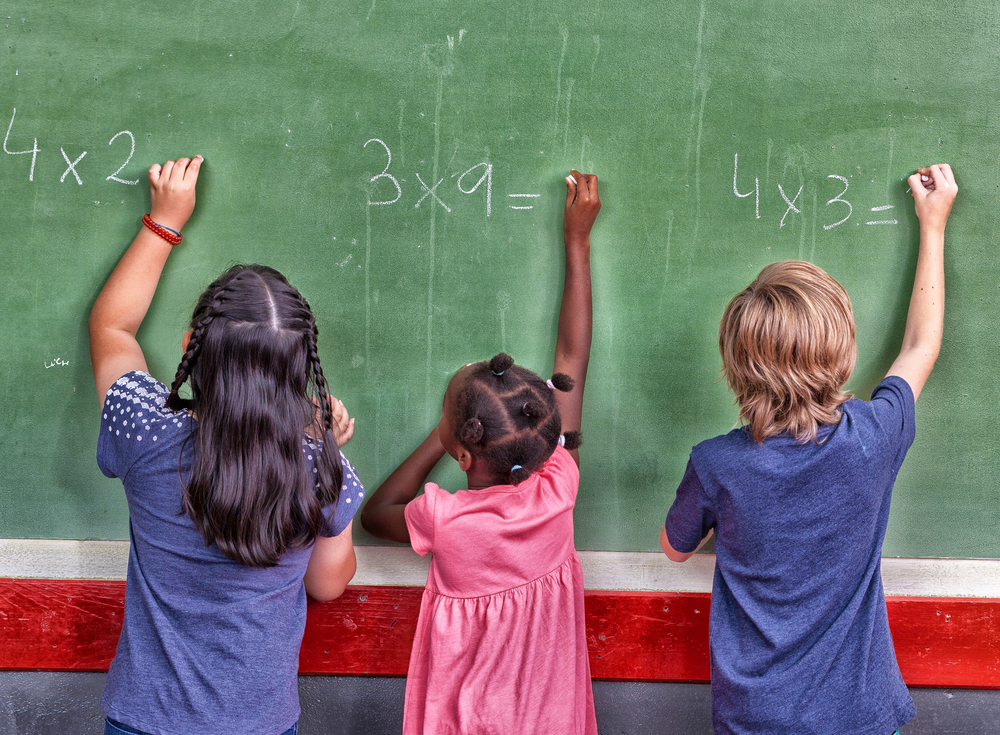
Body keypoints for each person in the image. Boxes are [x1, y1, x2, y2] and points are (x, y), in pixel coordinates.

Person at [660, 164, 958, 734]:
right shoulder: (875, 435)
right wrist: (933, 225)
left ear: (733, 366)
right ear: (843, 353)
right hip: (860, 715)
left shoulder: (717, 464)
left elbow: (675, 550)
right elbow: (921, 346)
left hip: (756, 718)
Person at [89, 156, 362, 735]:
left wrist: (164, 221)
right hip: (258, 724)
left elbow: (112, 329)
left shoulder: (146, 430)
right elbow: (328, 584)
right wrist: (320, 446)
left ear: (191, 345)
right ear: (301, 370)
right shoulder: (318, 468)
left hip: (145, 719)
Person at [361, 170, 601, 734]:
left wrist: (440, 437)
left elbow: (375, 514)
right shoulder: (558, 485)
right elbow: (572, 357)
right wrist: (578, 242)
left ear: (464, 452)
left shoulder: (444, 519)